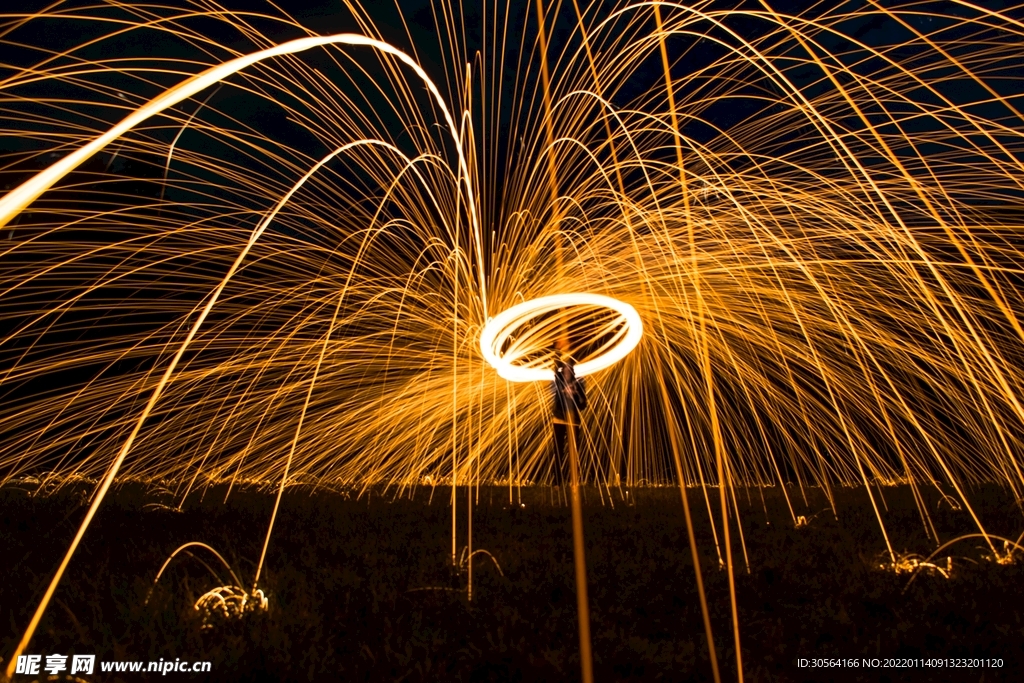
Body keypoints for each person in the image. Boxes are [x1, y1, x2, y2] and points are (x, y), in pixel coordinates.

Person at [551, 348, 586, 487]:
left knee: (574, 452)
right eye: (565, 368)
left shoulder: (580, 383)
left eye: (569, 368)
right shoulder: (558, 379)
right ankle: (557, 481)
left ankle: (574, 481)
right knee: (558, 451)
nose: (566, 371)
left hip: (573, 421)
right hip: (559, 419)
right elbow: (555, 369)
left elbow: (584, 404)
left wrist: (576, 395)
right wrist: (557, 354)